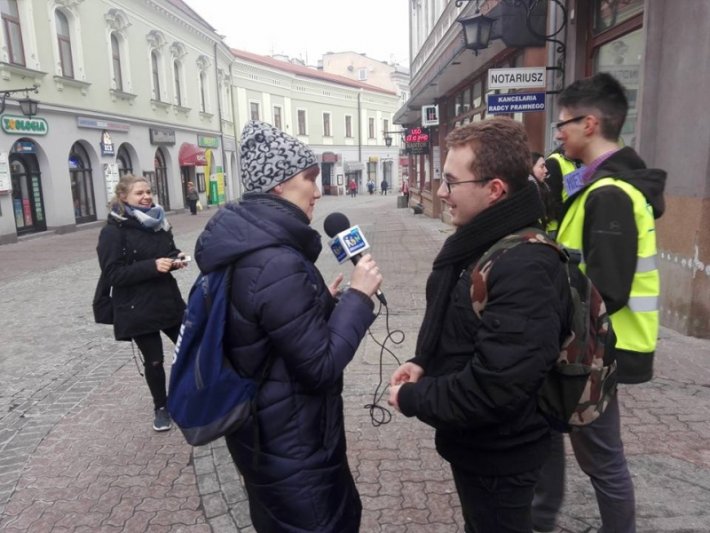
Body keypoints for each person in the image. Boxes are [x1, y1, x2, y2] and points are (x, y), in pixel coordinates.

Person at [194, 121, 383, 532]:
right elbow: (319, 367)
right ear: (278, 185)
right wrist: (359, 298)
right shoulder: (276, 260)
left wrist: (324, 305)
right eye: (309, 178)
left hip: (269, 439)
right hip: (294, 446)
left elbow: (266, 335)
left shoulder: (252, 247)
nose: (318, 190)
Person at [388, 117, 572, 533]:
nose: (440, 192)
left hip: (503, 455)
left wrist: (416, 397)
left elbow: (496, 387)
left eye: (452, 182)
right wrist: (424, 361)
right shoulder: (480, 242)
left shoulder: (526, 264)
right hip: (476, 444)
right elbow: (462, 329)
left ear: (494, 190)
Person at [531, 72, 666, 533]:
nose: (558, 133)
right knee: (557, 435)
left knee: (603, 461)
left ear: (590, 124)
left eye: (563, 123)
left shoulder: (609, 193)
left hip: (597, 352)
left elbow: (607, 287)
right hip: (588, 346)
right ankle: (539, 516)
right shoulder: (598, 186)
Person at [96, 174, 188, 431]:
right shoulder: (113, 232)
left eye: (148, 192)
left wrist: (176, 258)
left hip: (167, 300)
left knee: (191, 346)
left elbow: (167, 251)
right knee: (155, 360)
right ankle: (161, 406)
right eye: (140, 193)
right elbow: (112, 274)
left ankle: (193, 394)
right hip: (137, 307)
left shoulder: (158, 222)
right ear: (123, 197)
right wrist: (152, 266)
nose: (147, 197)